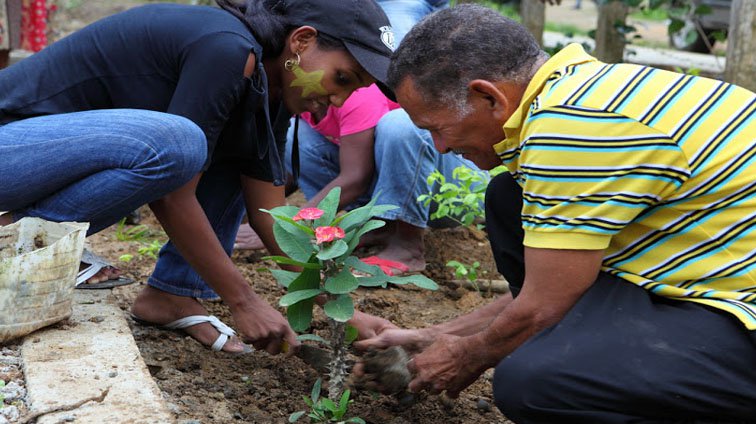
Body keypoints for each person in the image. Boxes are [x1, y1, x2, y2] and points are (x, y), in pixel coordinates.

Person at [354, 4, 756, 422]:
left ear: (488, 96)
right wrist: (437, 336)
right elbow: (558, 284)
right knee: (508, 197)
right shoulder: (578, 92)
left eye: (437, 128)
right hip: (709, 273)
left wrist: (469, 354)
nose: (438, 148)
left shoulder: (572, 127)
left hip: (743, 314)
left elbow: (543, 306)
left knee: (537, 384)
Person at [0, 0, 395, 354]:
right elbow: (174, 194)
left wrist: (341, 309)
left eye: (353, 90)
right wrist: (244, 301)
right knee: (182, 144)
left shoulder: (269, 87)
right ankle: (11, 237)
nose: (339, 101)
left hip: (26, 171)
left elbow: (267, 212)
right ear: (302, 41)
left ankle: (171, 295)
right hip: (11, 153)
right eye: (342, 78)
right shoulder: (226, 50)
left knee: (233, 148)